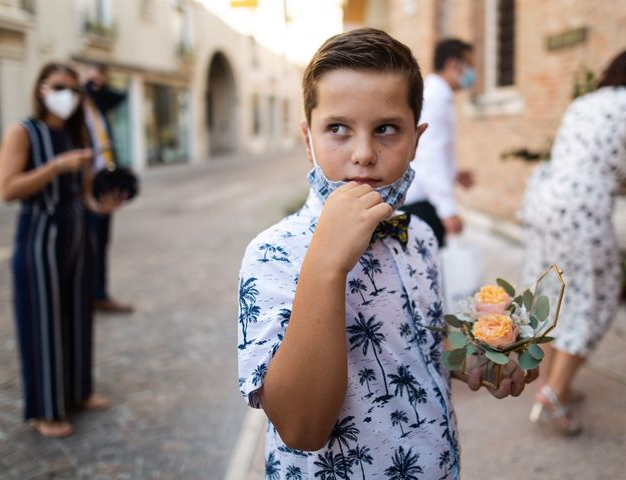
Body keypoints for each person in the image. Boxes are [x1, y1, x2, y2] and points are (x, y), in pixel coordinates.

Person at [237, 28, 537, 479]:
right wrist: (326, 262)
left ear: (416, 139)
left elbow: (417, 343)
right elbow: (301, 428)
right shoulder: (273, 254)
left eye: (386, 129)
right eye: (338, 128)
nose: (363, 154)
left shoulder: (418, 234)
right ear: (308, 139)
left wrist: (479, 358)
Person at [0, 62, 125, 437]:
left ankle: (79, 392)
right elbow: (7, 189)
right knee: (43, 322)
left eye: (74, 89)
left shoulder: (77, 134)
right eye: (58, 86)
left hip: (78, 233)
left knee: (77, 319)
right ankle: (46, 411)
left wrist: (104, 206)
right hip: (39, 236)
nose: (66, 95)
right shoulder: (24, 132)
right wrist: (55, 167)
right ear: (41, 89)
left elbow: (84, 194)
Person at [521, 50, 626, 435]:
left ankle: (551, 380)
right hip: (584, 208)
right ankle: (554, 393)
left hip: (545, 201)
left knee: (555, 295)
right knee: (594, 298)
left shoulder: (584, 103)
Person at [401, 38, 475, 247]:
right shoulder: (436, 98)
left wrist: (454, 173)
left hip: (423, 198)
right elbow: (430, 154)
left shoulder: (437, 95)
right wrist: (448, 210)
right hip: (422, 203)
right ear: (453, 65)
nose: (472, 73)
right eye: (470, 65)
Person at [82, 61, 134, 314]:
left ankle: (98, 294)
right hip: (85, 183)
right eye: (93, 73)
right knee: (87, 241)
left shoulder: (98, 105)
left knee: (101, 240)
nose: (98, 78)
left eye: (102, 74)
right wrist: (87, 84)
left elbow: (120, 96)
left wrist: (100, 84)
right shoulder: (78, 108)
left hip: (103, 179)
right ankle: (88, 295)